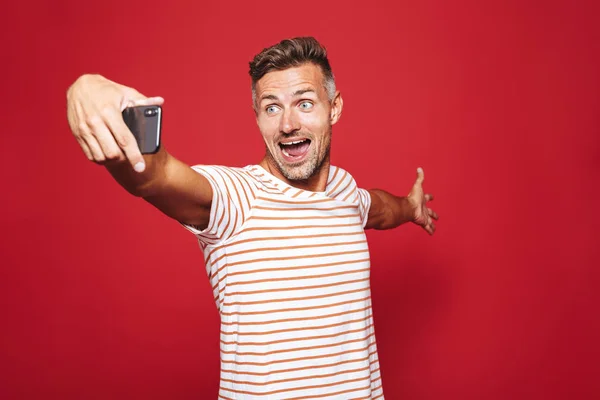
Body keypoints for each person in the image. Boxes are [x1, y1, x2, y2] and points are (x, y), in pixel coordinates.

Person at [66, 36, 438, 400]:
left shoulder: (343, 192)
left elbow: (380, 209)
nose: (288, 124)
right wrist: (87, 88)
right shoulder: (236, 198)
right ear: (257, 116)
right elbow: (153, 175)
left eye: (305, 103)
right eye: (271, 107)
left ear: (334, 108)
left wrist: (411, 206)